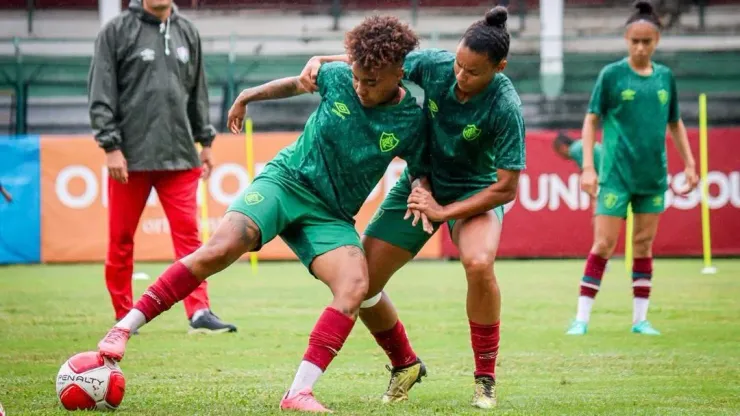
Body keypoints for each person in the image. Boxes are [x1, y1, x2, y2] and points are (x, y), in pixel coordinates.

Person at [96, 15, 428, 413]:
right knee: (221, 248)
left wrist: (421, 188)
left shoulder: (412, 119)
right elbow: (296, 83)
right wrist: (248, 95)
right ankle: (122, 330)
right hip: (285, 183)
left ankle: (298, 392)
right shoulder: (339, 77)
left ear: (398, 73)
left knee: (356, 286)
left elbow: (421, 167)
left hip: (331, 215)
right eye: (356, 78)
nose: (359, 88)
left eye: (371, 82)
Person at [299, 6, 525, 409]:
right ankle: (405, 364)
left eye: (473, 72)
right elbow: (381, 64)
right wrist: (322, 60)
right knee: (362, 281)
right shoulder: (436, 66)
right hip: (420, 185)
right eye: (458, 64)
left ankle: (485, 378)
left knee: (477, 263)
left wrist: (441, 213)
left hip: (474, 193)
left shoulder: (505, 105)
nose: (460, 76)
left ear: (500, 67)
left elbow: (506, 188)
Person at [88, 0, 236, 334]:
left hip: (181, 156)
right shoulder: (115, 31)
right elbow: (101, 93)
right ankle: (124, 315)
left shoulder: (187, 31)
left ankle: (199, 312)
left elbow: (198, 92)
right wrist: (110, 146)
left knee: (191, 240)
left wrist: (206, 141)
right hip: (130, 158)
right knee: (121, 239)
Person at [566, 0, 698, 336]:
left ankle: (640, 320)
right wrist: (588, 168)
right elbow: (591, 120)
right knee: (603, 246)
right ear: (626, 40)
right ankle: (581, 318)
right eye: (634, 41)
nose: (640, 47)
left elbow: (676, 123)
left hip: (652, 178)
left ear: (657, 42)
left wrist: (691, 164)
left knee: (642, 245)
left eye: (647, 41)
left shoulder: (666, 77)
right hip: (615, 177)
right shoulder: (611, 75)